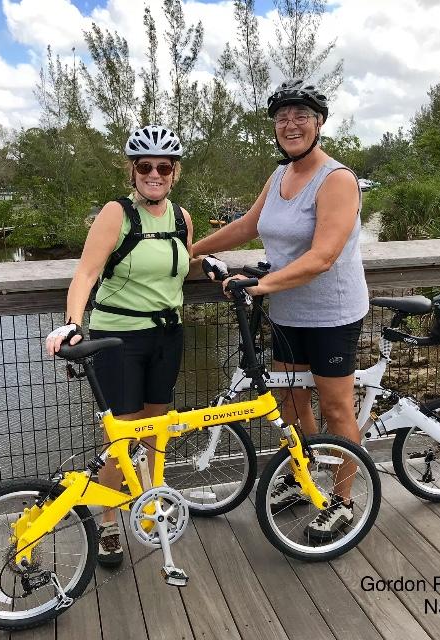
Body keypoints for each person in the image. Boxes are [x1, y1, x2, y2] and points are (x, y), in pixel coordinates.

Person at [193, 78, 369, 540]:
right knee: (290, 402)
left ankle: (345, 500)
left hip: (332, 313)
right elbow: (249, 225)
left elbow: (324, 255)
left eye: (301, 117)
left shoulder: (337, 180)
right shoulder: (279, 176)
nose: (290, 125)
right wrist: (189, 250)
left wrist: (261, 283)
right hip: (288, 312)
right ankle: (304, 474)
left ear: (319, 124)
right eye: (282, 118)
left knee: (335, 408)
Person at [45, 124, 197, 568]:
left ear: (175, 173)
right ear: (132, 172)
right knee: (123, 436)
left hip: (168, 335)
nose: (154, 174)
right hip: (119, 339)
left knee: (157, 429)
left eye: (163, 167)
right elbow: (85, 275)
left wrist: (217, 267)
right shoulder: (115, 214)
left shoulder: (181, 218)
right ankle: (108, 519)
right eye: (145, 166)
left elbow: (182, 264)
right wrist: (73, 323)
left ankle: (151, 502)